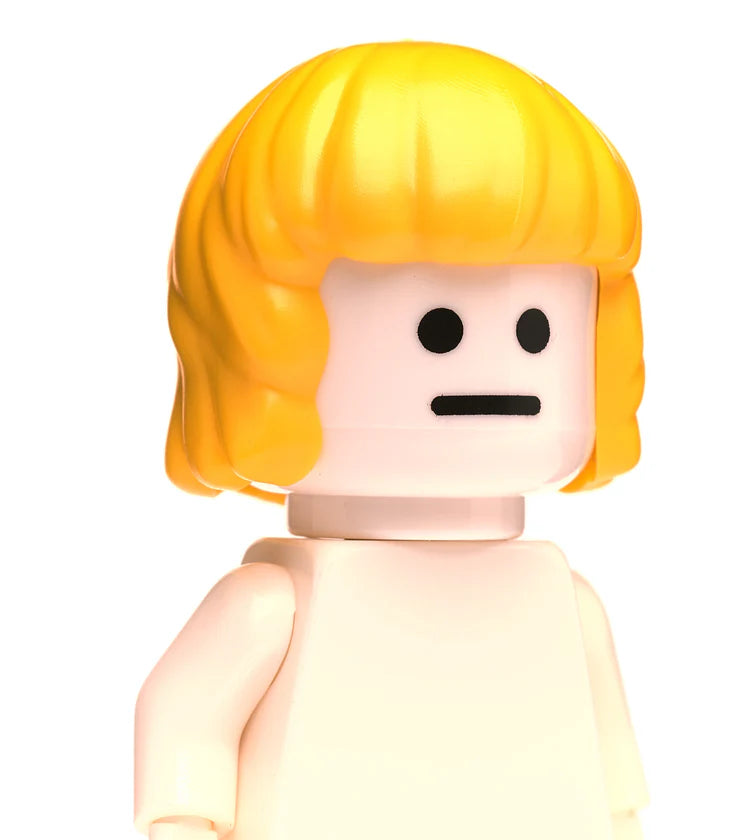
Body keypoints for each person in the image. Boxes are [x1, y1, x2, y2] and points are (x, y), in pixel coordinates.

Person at [136, 41, 648, 840]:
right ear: (256, 334)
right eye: (438, 329)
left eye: (535, 329)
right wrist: (183, 818)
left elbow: (614, 786)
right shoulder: (271, 606)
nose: (497, 365)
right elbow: (185, 722)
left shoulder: (566, 605)